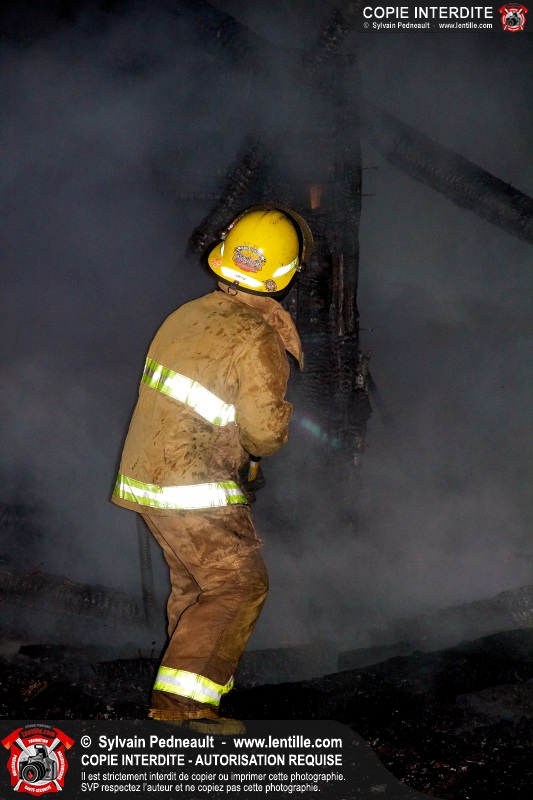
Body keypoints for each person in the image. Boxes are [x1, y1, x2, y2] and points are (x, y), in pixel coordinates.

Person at [112, 205, 313, 721]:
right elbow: (263, 432)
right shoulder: (257, 336)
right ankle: (180, 710)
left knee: (195, 586)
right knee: (239, 585)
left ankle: (185, 708)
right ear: (285, 274)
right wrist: (269, 436)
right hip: (192, 485)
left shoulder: (186, 315)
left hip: (146, 478)